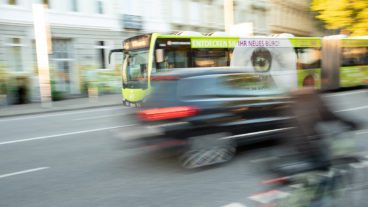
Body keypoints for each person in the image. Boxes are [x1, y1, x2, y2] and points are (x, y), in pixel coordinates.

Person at [274, 86, 360, 175]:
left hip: (293, 144)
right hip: (308, 144)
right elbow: (329, 115)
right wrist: (350, 123)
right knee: (325, 164)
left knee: (320, 160)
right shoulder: (313, 98)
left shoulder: (292, 101)